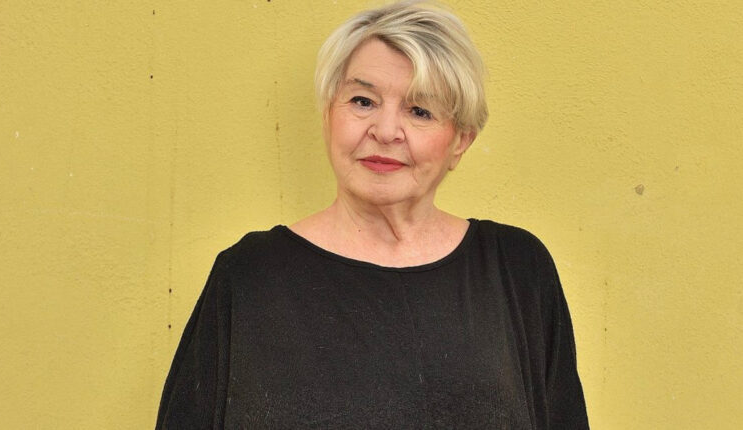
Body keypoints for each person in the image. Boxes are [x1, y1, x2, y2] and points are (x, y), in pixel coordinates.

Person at [156, 1, 589, 428]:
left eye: (419, 111)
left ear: (461, 141)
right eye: (363, 101)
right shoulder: (248, 276)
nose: (384, 131)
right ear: (329, 116)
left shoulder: (517, 270)